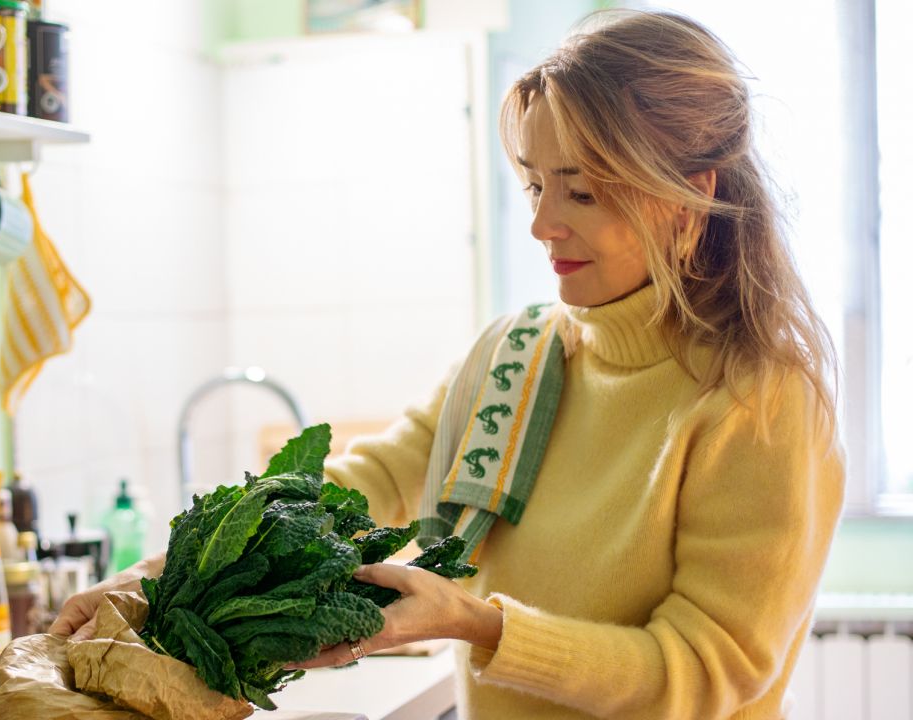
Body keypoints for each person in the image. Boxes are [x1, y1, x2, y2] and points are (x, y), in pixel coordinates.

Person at [51, 10, 844, 719]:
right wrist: (154, 581)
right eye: (534, 184)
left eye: (582, 193)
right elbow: (360, 485)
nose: (540, 223)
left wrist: (475, 623)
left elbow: (704, 674)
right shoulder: (518, 354)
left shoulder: (757, 400)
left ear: (688, 196)